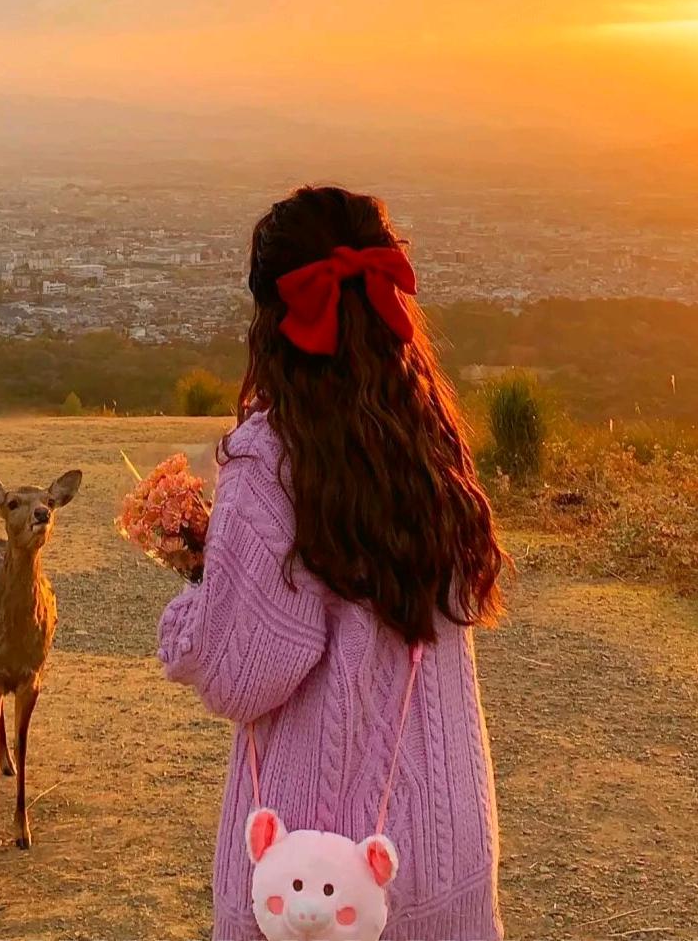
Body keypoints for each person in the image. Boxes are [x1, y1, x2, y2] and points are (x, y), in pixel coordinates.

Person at [157, 185, 506, 940]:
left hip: (316, 861)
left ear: (273, 320)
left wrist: (195, 604)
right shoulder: (429, 435)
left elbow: (245, 672)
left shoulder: (272, 456)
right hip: (443, 833)